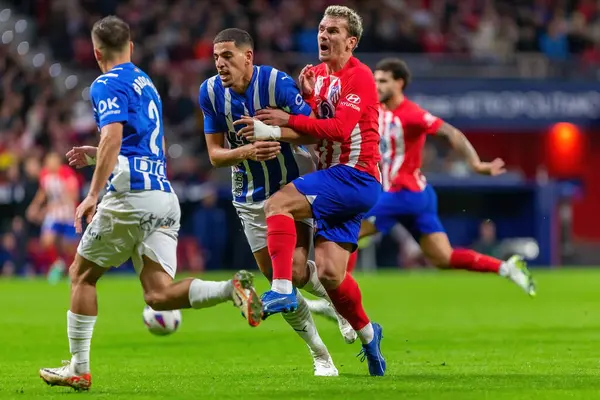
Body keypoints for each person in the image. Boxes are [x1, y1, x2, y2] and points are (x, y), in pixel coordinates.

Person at [39, 16, 262, 392]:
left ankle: (78, 367)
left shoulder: (105, 83)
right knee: (158, 294)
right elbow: (133, 144)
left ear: (96, 53)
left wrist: (92, 194)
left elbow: (112, 137)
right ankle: (230, 290)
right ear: (131, 48)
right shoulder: (146, 83)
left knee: (81, 274)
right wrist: (98, 156)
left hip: (129, 197)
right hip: (163, 196)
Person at [235, 5, 386, 376]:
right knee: (332, 275)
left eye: (333, 31)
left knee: (278, 205)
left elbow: (337, 129)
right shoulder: (315, 76)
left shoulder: (361, 77)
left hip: (354, 176)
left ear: (351, 42)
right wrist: (302, 106)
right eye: (321, 28)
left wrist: (279, 125)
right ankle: (369, 336)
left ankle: (282, 288)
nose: (324, 35)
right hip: (334, 179)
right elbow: (314, 125)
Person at [199, 28, 350, 377]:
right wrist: (247, 150)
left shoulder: (276, 84)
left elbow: (314, 129)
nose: (220, 64)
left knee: (293, 274)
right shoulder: (208, 93)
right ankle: (321, 353)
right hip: (247, 199)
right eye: (216, 57)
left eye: (228, 56)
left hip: (288, 190)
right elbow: (214, 155)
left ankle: (337, 314)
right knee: (280, 283)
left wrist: (275, 131)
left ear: (248, 57)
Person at [356, 57, 535, 295]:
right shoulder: (377, 110)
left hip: (403, 194)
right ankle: (506, 268)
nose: (376, 85)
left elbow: (452, 133)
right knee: (443, 258)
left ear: (399, 83)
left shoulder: (412, 114)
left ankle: (334, 299)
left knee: (344, 232)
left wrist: (476, 164)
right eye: (375, 80)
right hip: (415, 195)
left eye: (383, 81)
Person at [26, 152, 80, 282]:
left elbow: (73, 195)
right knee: (46, 241)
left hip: (67, 214)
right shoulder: (45, 174)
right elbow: (43, 192)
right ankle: (58, 264)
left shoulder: (67, 174)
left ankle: (73, 269)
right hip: (53, 214)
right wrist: (34, 206)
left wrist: (55, 205)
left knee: (69, 246)